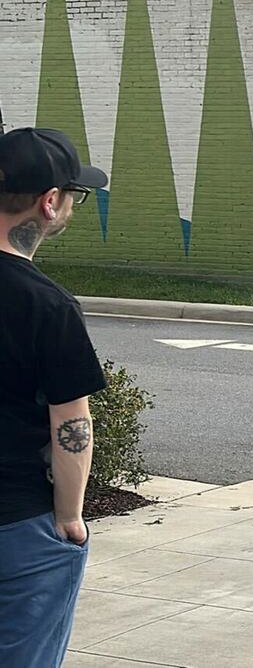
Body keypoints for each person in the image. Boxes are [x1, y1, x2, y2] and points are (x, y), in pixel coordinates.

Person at [0, 128, 108, 668]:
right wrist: (69, 516)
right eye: (73, 195)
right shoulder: (48, 305)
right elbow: (72, 425)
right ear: (48, 203)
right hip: (17, 526)